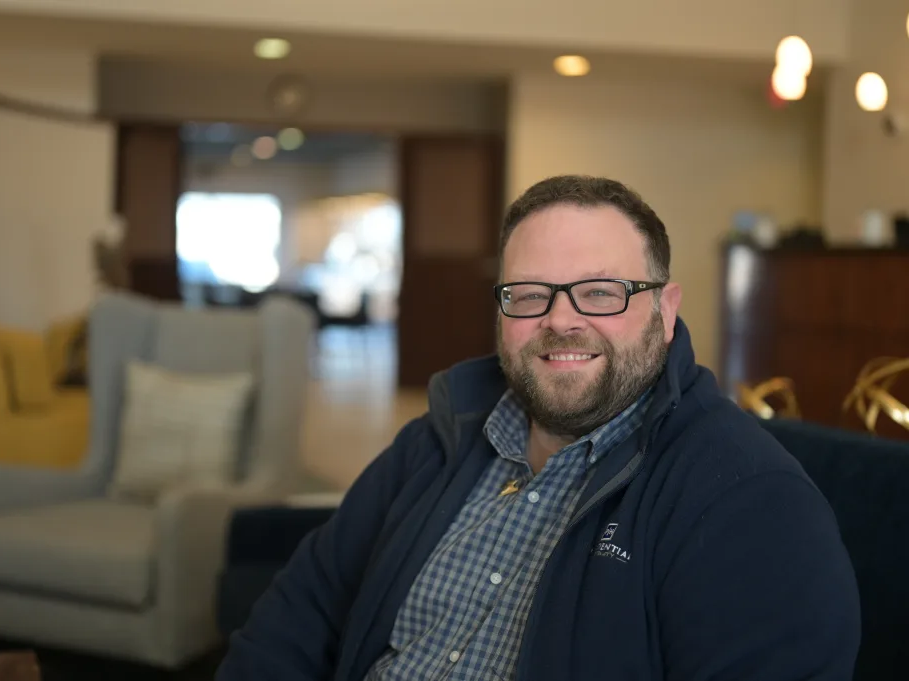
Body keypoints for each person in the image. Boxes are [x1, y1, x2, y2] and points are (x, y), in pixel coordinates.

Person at [216, 175, 860, 681]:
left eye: (602, 292)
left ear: (665, 312)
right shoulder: (440, 438)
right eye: (529, 293)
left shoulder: (750, 501)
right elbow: (303, 613)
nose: (561, 320)